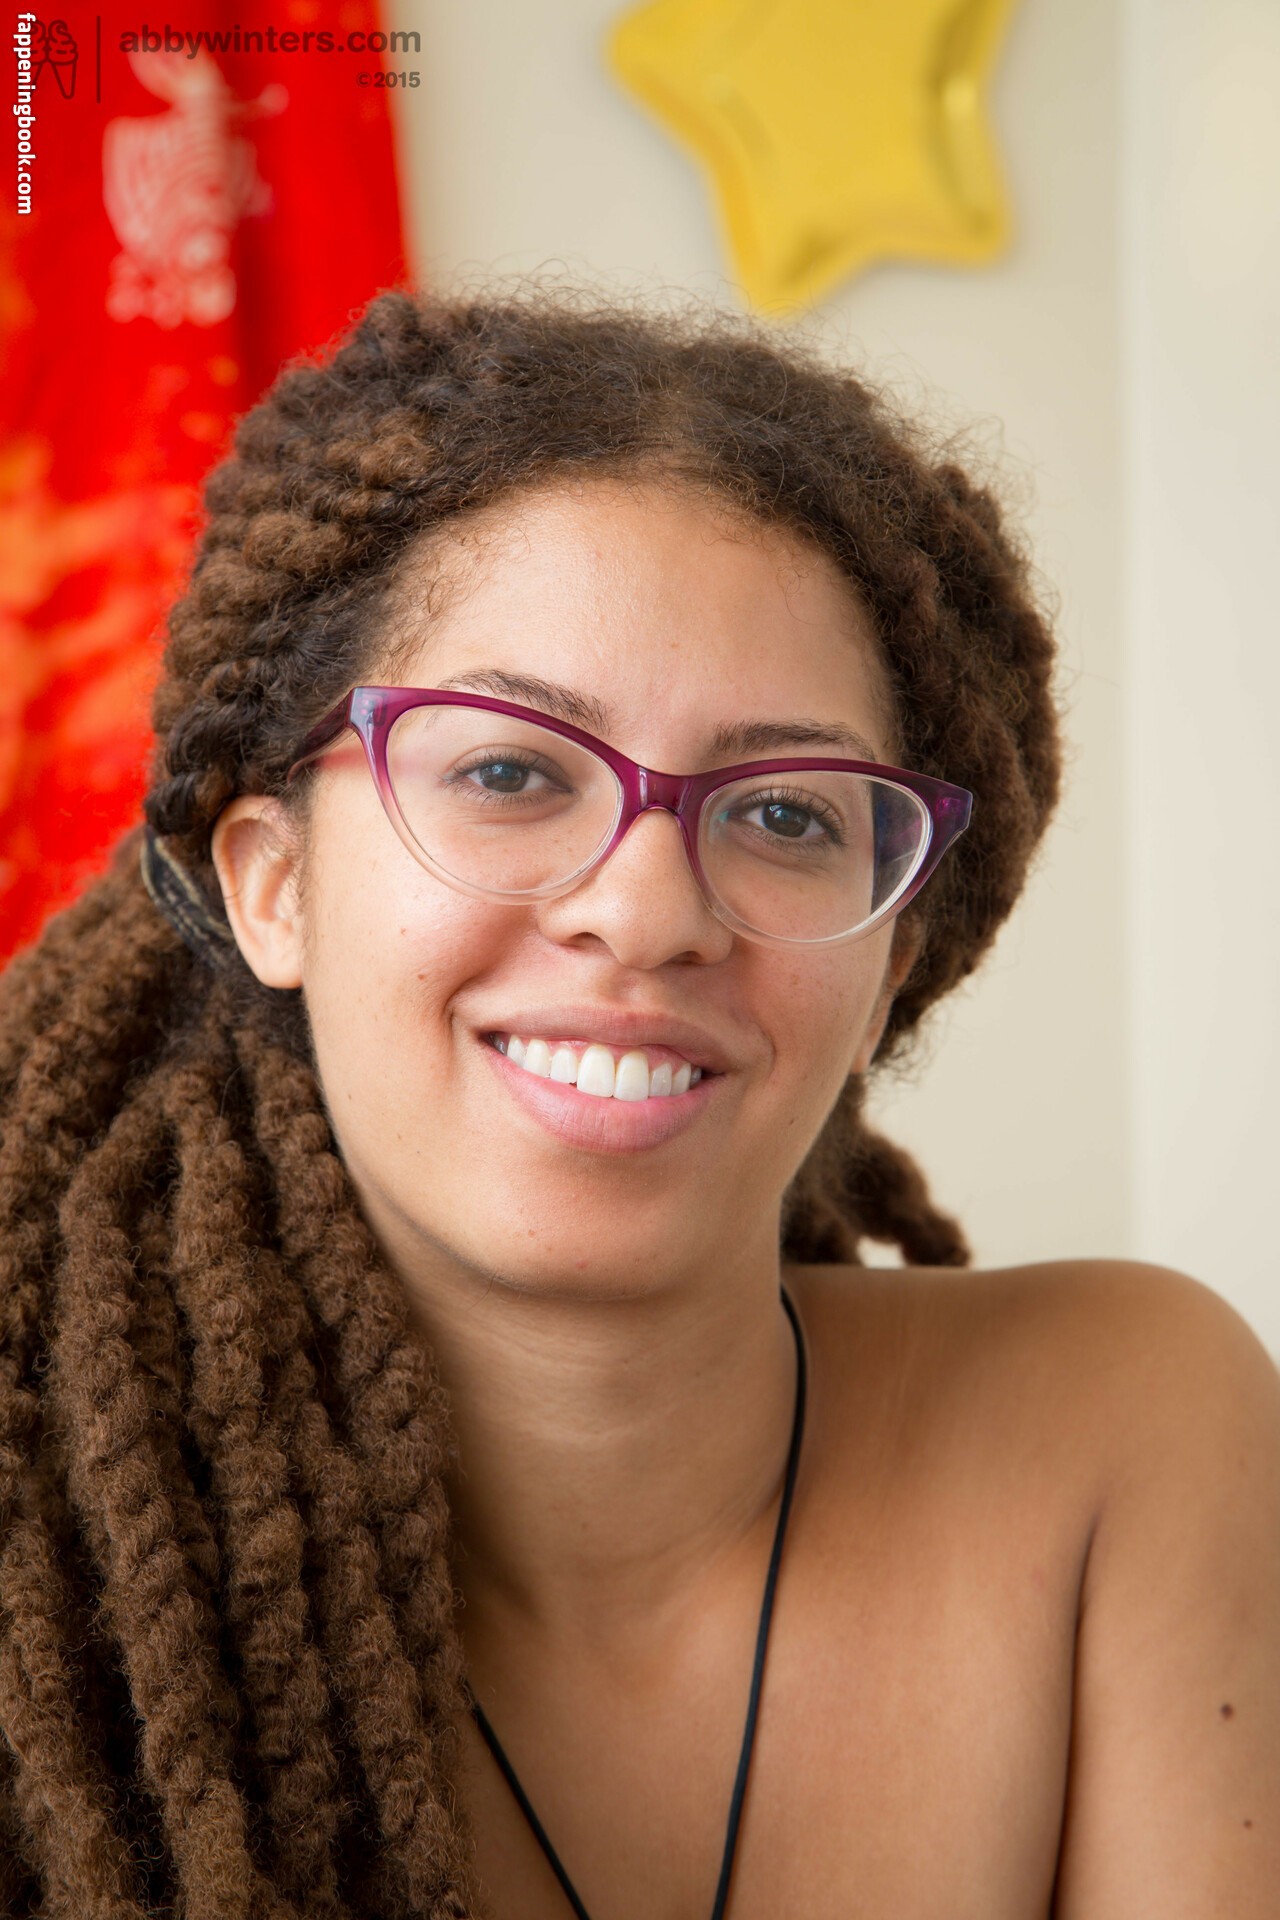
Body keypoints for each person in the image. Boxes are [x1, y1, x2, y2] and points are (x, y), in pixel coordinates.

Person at [0, 289, 1276, 1920]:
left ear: (892, 962)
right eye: (511, 773)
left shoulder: (1130, 1436)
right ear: (273, 886)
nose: (651, 910)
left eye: (788, 814)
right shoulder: (47, 1565)